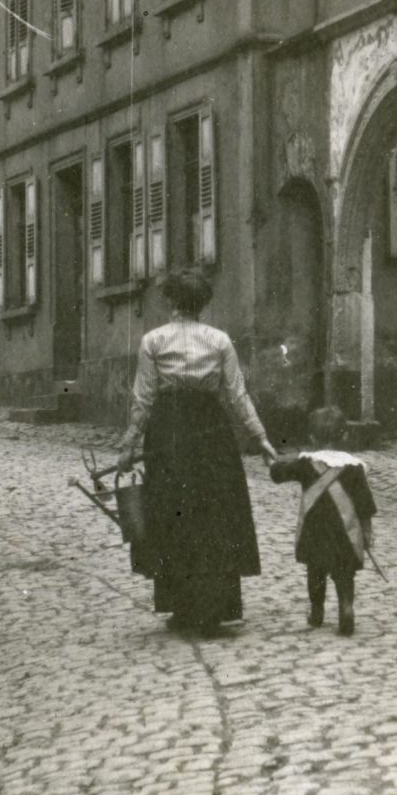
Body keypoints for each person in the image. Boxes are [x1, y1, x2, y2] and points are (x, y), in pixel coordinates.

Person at [119, 267, 277, 630]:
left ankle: (181, 605)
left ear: (172, 301)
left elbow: (143, 400)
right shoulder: (219, 340)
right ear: (202, 304)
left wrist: (129, 445)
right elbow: (237, 395)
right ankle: (215, 607)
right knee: (214, 514)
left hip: (169, 432)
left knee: (174, 512)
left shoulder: (154, 341)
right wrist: (262, 439)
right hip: (210, 430)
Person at [269, 406, 376, 638]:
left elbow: (280, 474)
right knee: (345, 574)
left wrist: (271, 462)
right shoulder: (355, 467)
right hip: (345, 535)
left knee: (315, 571)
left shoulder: (306, 463)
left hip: (315, 533)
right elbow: (365, 505)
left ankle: (317, 610)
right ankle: (346, 607)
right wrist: (367, 533)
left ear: (312, 437)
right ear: (345, 435)